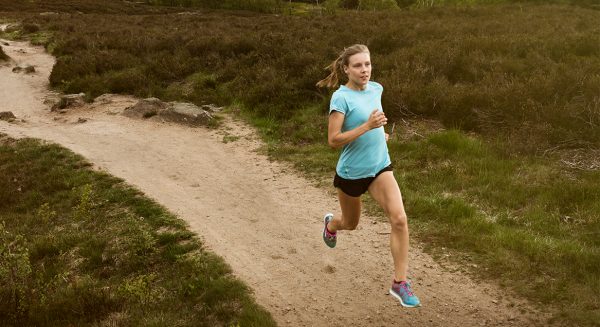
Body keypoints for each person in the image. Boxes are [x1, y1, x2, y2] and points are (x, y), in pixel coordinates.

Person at [316, 44, 420, 308]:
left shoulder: (376, 88)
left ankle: (400, 283)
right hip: (352, 173)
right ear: (346, 69)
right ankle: (331, 225)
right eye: (358, 66)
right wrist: (368, 127)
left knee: (399, 219)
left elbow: (375, 119)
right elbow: (333, 140)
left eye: (368, 64)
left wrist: (379, 134)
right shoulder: (341, 98)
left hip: (380, 166)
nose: (365, 70)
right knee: (350, 224)